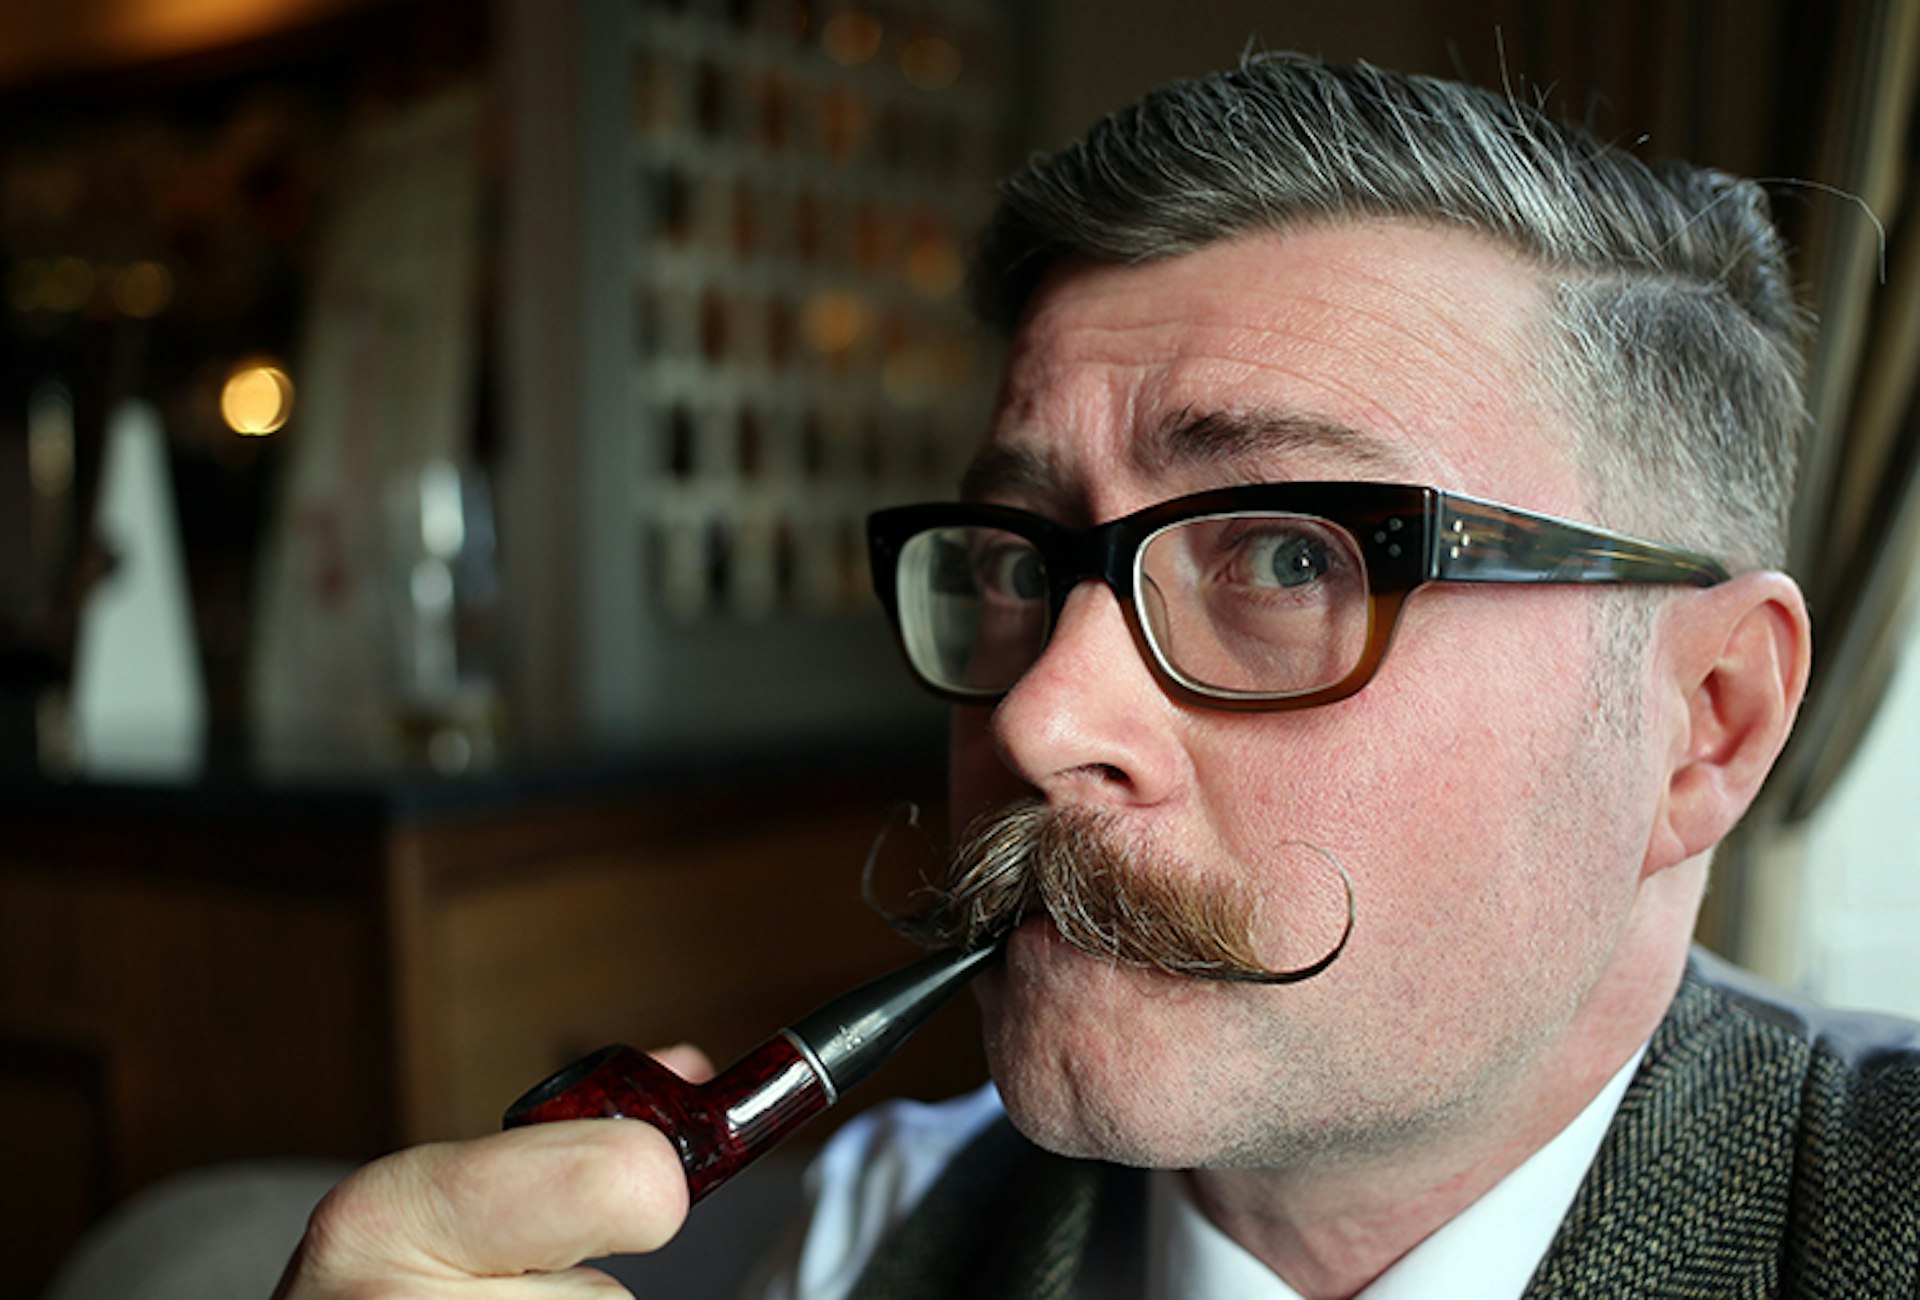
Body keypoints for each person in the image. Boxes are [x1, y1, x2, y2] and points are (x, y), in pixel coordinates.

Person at [276, 53, 1920, 1300]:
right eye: (1014, 561)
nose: (1037, 717)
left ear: (1708, 723)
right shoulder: (865, 1245)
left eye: (1287, 558)